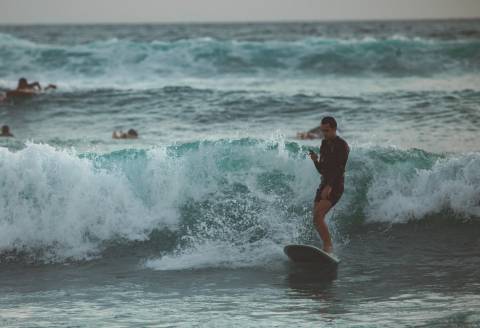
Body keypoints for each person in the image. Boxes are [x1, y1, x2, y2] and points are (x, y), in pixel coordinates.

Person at [309, 116, 349, 253]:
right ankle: (326, 244)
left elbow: (339, 169)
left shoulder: (342, 146)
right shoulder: (324, 144)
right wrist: (315, 161)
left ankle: (328, 246)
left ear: (334, 129)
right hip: (324, 183)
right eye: (322, 131)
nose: (324, 134)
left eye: (326, 131)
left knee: (318, 215)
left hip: (335, 186)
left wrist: (330, 187)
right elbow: (322, 170)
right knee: (316, 218)